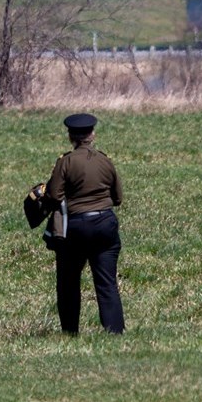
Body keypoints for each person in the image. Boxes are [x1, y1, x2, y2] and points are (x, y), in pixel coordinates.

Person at [45, 113, 125, 335]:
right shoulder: (105, 161)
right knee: (107, 283)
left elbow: (53, 195)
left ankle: (70, 332)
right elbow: (117, 198)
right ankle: (115, 332)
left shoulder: (66, 162)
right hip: (105, 224)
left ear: (70, 136)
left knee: (68, 283)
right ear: (92, 134)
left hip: (76, 227)